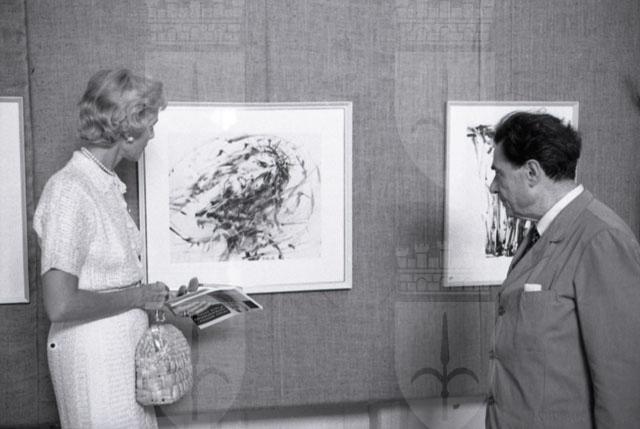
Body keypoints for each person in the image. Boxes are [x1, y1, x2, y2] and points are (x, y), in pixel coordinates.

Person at [33, 68, 170, 428]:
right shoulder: (70, 189)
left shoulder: (102, 184)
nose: (153, 135)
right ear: (129, 127)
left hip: (119, 360)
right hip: (94, 364)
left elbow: (109, 281)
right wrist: (138, 297)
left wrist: (155, 297)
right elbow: (60, 304)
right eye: (150, 125)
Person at [485, 111, 640, 428]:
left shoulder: (602, 239)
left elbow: (623, 382)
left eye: (499, 174)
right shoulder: (539, 232)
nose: (493, 187)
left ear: (531, 172)